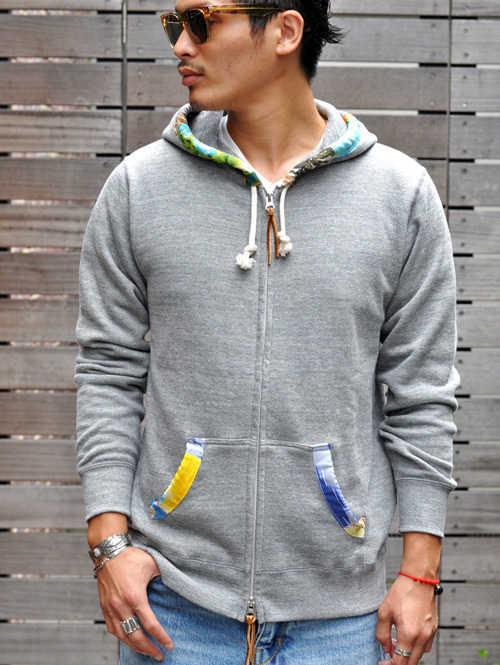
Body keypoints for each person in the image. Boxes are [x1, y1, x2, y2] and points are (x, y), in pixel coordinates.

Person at [75, 2, 459, 664]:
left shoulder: (399, 196)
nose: (181, 45)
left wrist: (420, 573)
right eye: (173, 24)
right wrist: (109, 545)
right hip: (174, 612)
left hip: (343, 621)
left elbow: (421, 393)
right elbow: (108, 371)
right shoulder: (139, 188)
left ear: (285, 31)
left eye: (201, 21)